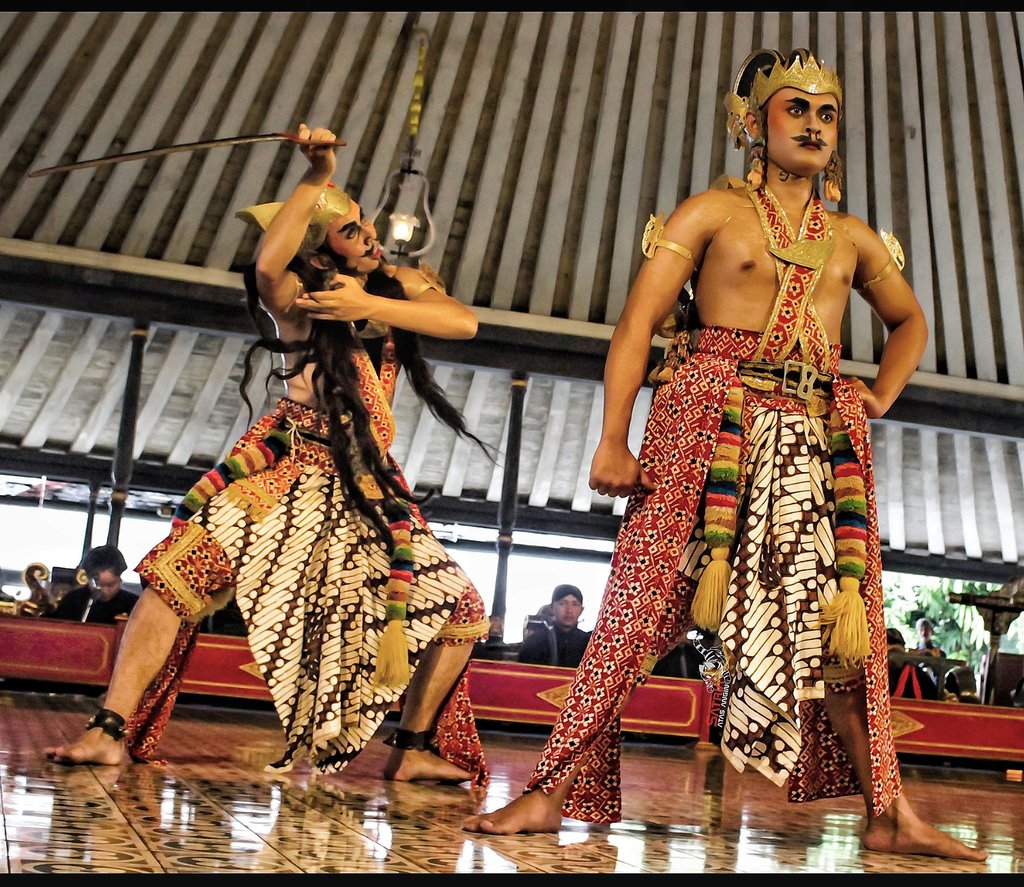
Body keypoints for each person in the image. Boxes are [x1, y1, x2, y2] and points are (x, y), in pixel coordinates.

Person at [463, 49, 986, 861]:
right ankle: (549, 789)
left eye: (827, 113)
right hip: (705, 415)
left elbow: (909, 322)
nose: (814, 124)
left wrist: (879, 392)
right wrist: (612, 436)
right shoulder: (708, 213)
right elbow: (636, 326)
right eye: (796, 109)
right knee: (640, 610)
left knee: (841, 629)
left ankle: (888, 809)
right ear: (753, 123)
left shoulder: (848, 237)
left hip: (815, 432)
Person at [45, 123, 492, 788]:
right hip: (287, 473)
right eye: (349, 230)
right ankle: (107, 730)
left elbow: (464, 321)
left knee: (463, 608)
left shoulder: (389, 291)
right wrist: (315, 178)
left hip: (364, 489)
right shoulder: (302, 308)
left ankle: (415, 745)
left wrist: (370, 296)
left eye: (365, 222)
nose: (369, 233)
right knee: (175, 574)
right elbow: (264, 267)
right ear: (319, 253)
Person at [44, 545, 138, 624]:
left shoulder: (134, 605)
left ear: (120, 579)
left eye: (110, 585)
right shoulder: (72, 601)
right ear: (88, 579)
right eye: (97, 585)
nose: (104, 591)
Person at [517, 584, 591, 669]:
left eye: (575, 604)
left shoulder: (589, 644)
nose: (569, 610)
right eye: (562, 603)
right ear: (552, 608)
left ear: (581, 610)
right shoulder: (534, 642)